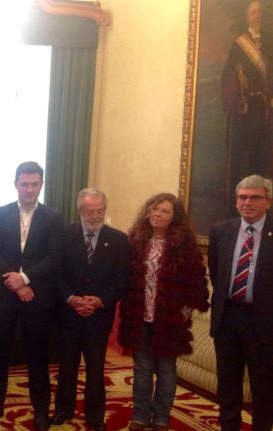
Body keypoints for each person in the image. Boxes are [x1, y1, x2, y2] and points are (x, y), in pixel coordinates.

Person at [0, 161, 63, 430]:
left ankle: (40, 410)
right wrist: (15, 281)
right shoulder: (0, 213)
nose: (29, 189)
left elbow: (55, 257)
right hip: (3, 294)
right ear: (15, 184)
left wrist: (25, 279)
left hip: (36, 296)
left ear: (41, 185)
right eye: (24, 184)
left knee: (38, 354)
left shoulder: (53, 218)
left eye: (34, 184)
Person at [117, 193, 209, 431]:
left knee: (167, 369)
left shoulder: (184, 245)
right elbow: (125, 277)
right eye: (154, 209)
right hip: (139, 314)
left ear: (174, 217)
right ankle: (140, 415)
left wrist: (185, 311)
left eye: (164, 211)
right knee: (142, 367)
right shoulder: (135, 240)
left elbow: (195, 281)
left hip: (170, 318)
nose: (157, 214)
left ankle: (161, 418)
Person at [52, 188, 129, 431]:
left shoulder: (118, 239)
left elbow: (122, 278)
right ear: (79, 211)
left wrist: (100, 301)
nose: (95, 216)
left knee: (96, 368)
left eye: (100, 211)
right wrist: (71, 298)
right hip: (68, 314)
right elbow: (55, 273)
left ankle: (95, 415)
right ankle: (63, 410)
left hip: (99, 315)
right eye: (89, 211)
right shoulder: (64, 235)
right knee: (67, 366)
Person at [209, 174, 273, 431]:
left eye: (255, 197)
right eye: (242, 197)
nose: (247, 202)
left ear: (268, 202)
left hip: (264, 322)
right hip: (228, 319)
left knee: (264, 388)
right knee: (227, 385)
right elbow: (217, 274)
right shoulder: (221, 230)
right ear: (236, 202)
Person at [221, 0, 273, 192]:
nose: (257, 15)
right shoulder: (239, 45)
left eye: (260, 11)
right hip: (246, 109)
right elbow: (227, 76)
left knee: (263, 155)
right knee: (244, 155)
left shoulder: (270, 43)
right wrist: (237, 91)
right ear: (247, 17)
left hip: (265, 109)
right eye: (253, 12)